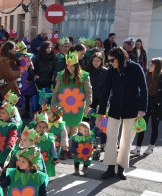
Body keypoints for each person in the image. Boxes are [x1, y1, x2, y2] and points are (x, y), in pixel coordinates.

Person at [97, 47, 148, 180]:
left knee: (126, 141)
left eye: (112, 60)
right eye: (109, 61)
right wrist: (101, 113)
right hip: (114, 109)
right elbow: (106, 91)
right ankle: (109, 168)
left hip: (132, 110)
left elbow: (143, 88)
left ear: (120, 57)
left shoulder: (136, 68)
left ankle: (121, 168)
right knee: (111, 139)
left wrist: (142, 108)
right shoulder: (111, 71)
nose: (110, 63)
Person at [51, 51, 92, 136]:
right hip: (61, 107)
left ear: (77, 65)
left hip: (77, 108)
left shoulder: (84, 76)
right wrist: (53, 105)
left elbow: (88, 92)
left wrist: (88, 105)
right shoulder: (61, 75)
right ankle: (64, 148)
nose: (70, 68)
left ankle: (71, 147)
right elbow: (56, 92)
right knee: (63, 130)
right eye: (68, 66)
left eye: (72, 66)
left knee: (74, 131)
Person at [132, 58, 162, 155]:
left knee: (154, 126)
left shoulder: (160, 78)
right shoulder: (147, 76)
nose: (149, 66)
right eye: (149, 64)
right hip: (147, 105)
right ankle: (138, 148)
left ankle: (151, 147)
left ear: (157, 67)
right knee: (141, 126)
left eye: (152, 65)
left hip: (157, 107)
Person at [0, 104, 19, 168]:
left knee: (4, 158)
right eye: (0, 112)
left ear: (9, 115)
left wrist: (10, 143)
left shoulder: (12, 125)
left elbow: (13, 135)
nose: (0, 114)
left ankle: (3, 168)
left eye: (3, 113)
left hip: (5, 146)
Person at [33, 112, 58, 178]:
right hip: (35, 157)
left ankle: (46, 178)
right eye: (39, 126)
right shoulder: (32, 137)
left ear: (47, 128)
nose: (41, 129)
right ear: (35, 127)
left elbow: (53, 148)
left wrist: (55, 158)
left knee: (46, 168)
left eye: (44, 127)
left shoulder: (49, 138)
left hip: (47, 158)